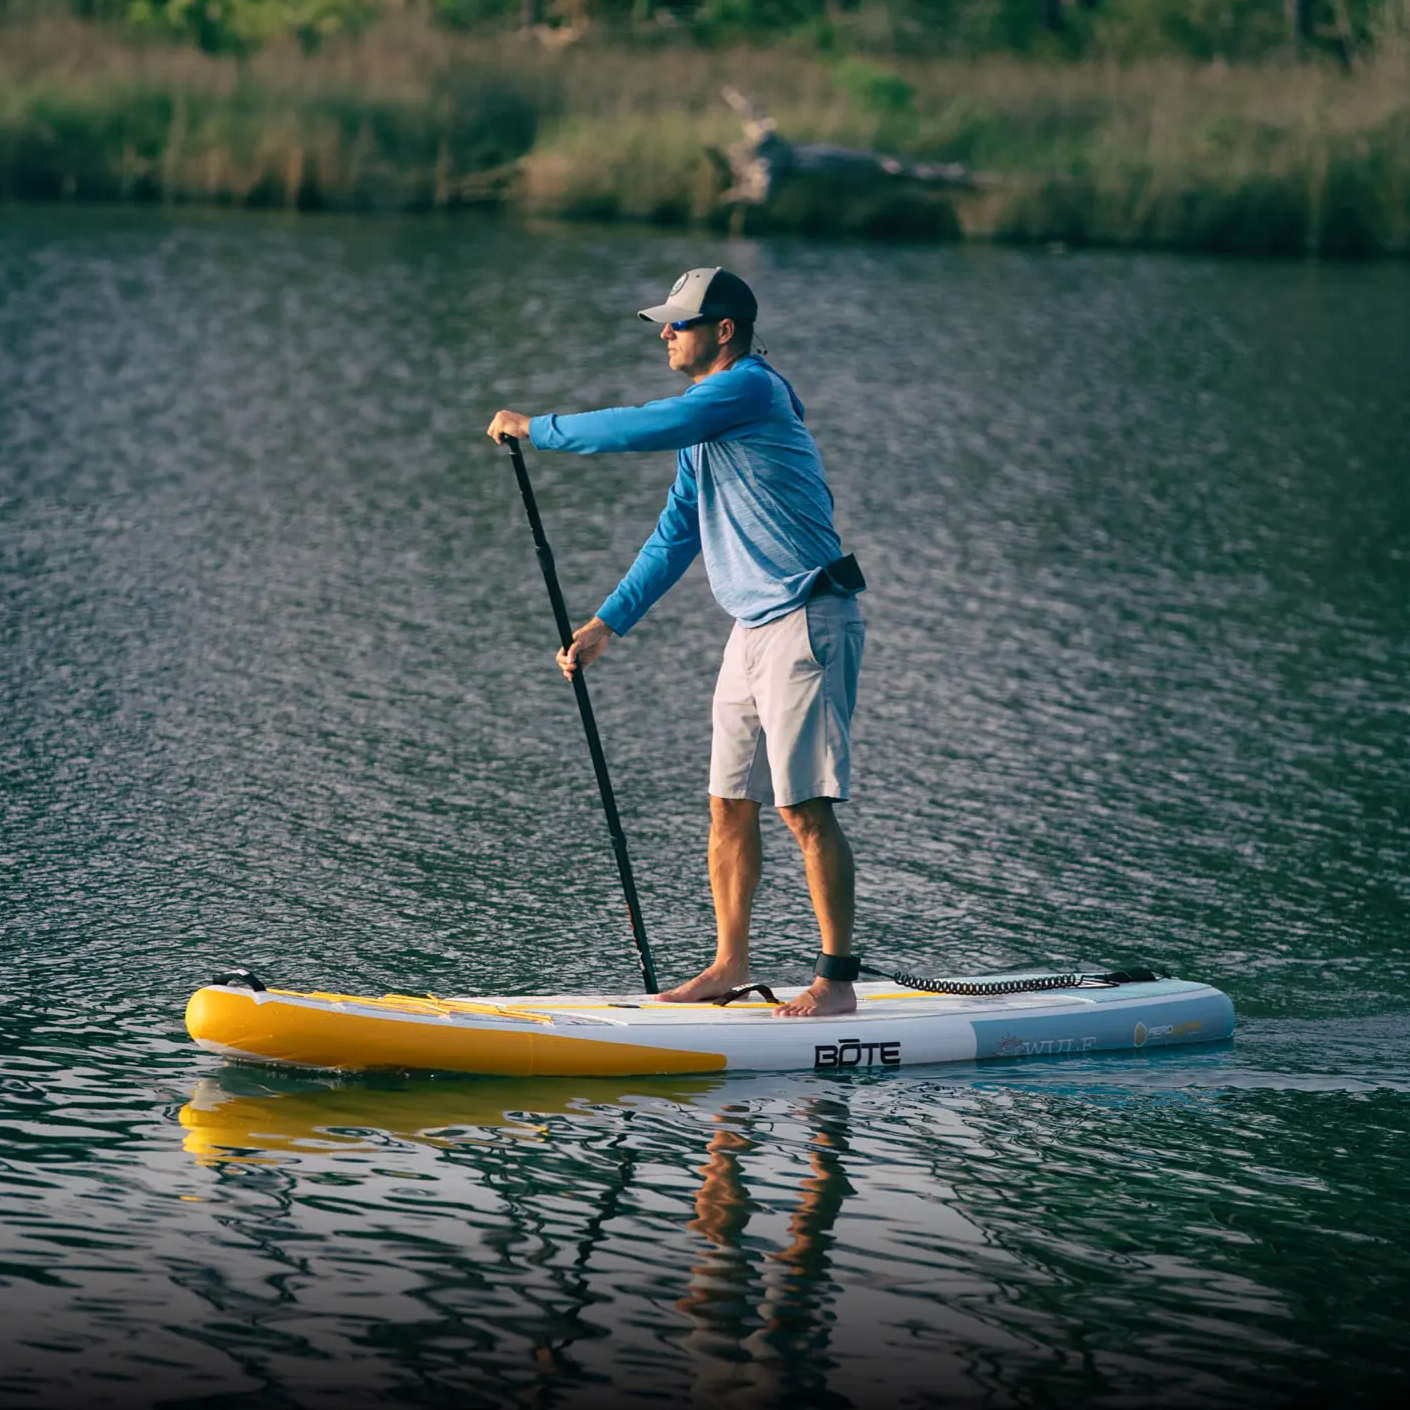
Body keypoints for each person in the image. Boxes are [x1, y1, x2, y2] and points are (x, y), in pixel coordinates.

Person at [487, 267, 866, 1018]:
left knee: (804, 808)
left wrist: (539, 429)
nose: (665, 332)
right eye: (666, 322)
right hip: (752, 626)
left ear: (723, 331)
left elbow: (639, 425)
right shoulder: (708, 426)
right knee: (728, 805)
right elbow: (676, 534)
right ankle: (730, 964)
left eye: (680, 323)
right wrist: (605, 624)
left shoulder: (748, 390)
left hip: (807, 616)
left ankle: (837, 981)